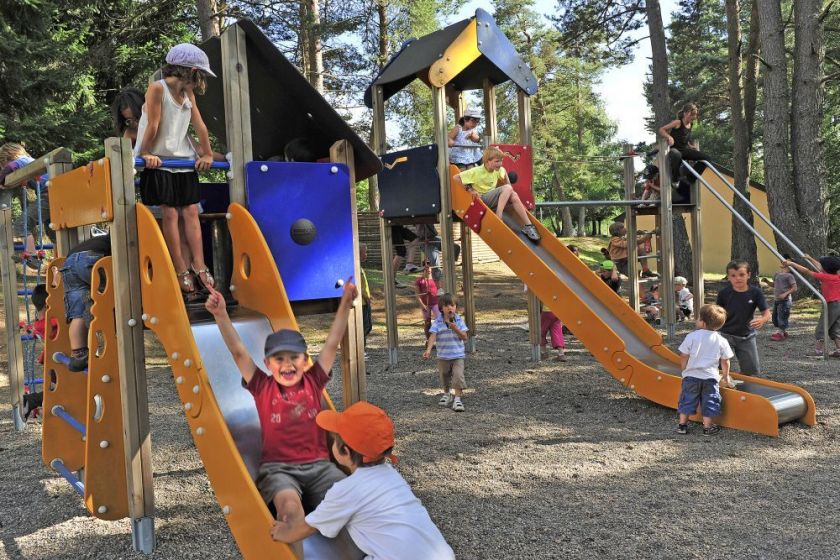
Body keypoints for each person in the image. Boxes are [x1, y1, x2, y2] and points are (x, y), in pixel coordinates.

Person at [204, 279, 357, 550]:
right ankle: (293, 551)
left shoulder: (313, 380)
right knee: (289, 511)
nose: (287, 365)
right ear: (267, 364)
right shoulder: (263, 386)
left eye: (294, 358)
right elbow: (239, 352)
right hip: (279, 470)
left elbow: (332, 343)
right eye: (279, 359)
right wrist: (221, 315)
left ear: (305, 360)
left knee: (354, 498)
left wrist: (345, 304)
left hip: (321, 467)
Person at [270, 401, 455, 559]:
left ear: (345, 452)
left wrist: (283, 532)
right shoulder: (391, 474)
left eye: (334, 441)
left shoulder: (346, 491)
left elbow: (307, 528)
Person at [133, 43, 216, 296]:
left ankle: (199, 264)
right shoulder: (157, 89)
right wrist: (146, 153)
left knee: (190, 211)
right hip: (159, 159)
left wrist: (208, 153)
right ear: (189, 71)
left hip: (182, 159)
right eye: (199, 75)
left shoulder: (188, 95)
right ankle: (180, 267)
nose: (200, 81)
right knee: (169, 214)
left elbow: (199, 125)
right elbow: (153, 125)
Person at [452, 146, 541, 243]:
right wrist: (470, 189)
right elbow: (456, 177)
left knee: (513, 194)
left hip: (493, 200)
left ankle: (528, 225)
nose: (500, 164)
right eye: (497, 161)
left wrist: (513, 195)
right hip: (481, 200)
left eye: (501, 161)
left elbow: (509, 184)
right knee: (508, 188)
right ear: (487, 161)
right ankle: (499, 216)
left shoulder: (500, 170)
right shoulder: (476, 171)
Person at [674, 304, 734, 436]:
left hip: (691, 376)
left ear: (702, 322)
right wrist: (725, 376)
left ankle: (682, 425)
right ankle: (707, 427)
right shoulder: (721, 340)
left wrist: (684, 370)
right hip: (710, 378)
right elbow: (725, 360)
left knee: (687, 399)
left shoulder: (692, 336)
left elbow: (684, 355)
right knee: (710, 401)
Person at [59, 233, 112, 372]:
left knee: (77, 315)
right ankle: (103, 346)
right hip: (91, 259)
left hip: (69, 263)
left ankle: (79, 356)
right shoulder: (123, 234)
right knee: (107, 300)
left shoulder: (99, 239)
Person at [0, 142, 54, 266]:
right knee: (52, 229)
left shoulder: (23, 161)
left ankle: (32, 255)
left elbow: (11, 167)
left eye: (3, 164)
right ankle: (63, 257)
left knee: (21, 224)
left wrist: (2, 179)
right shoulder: (29, 165)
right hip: (52, 194)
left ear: (9, 156)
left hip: (49, 194)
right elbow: (16, 181)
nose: (4, 168)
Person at [715, 260, 770, 376]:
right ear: (728, 277)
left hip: (746, 336)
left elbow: (767, 313)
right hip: (725, 335)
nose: (738, 278)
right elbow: (716, 313)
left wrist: (762, 319)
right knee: (717, 366)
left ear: (748, 275)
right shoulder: (724, 293)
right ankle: (718, 386)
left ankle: (745, 387)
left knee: (751, 370)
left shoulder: (756, 293)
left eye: (741, 275)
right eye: (733, 276)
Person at [783, 255, 840, 357]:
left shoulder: (825, 277)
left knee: (821, 328)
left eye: (822, 265)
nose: (819, 266)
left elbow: (807, 271)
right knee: (834, 328)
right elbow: (819, 267)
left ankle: (818, 351)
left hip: (831, 305)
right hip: (838, 305)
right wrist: (810, 258)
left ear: (825, 268)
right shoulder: (835, 276)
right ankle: (839, 349)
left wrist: (792, 264)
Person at [422, 293, 469, 412]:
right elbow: (433, 336)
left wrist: (455, 328)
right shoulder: (438, 322)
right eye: (446, 305)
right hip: (443, 356)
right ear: (441, 308)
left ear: (456, 307)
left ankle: (458, 399)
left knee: (458, 376)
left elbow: (465, 337)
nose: (450, 308)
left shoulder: (459, 320)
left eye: (452, 305)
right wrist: (428, 350)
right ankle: (447, 394)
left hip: (458, 355)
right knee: (444, 376)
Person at [658, 102, 712, 187]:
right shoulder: (677, 122)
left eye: (695, 115)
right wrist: (669, 137)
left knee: (707, 158)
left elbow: (684, 137)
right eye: (693, 114)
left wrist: (690, 145)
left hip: (684, 150)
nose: (694, 117)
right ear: (686, 113)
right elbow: (661, 130)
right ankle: (675, 179)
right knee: (677, 155)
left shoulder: (691, 124)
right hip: (674, 149)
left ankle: (690, 178)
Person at [765, 257, 798, 341]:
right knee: (775, 317)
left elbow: (794, 288)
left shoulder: (789, 276)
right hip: (777, 300)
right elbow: (774, 285)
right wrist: (767, 282)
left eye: (787, 261)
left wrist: (785, 294)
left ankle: (781, 332)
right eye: (784, 260)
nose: (784, 262)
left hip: (785, 301)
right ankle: (783, 331)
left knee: (782, 316)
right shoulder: (777, 274)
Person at [415, 260, 439, 340]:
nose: (428, 269)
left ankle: (439, 338)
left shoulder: (435, 279)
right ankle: (428, 340)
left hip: (435, 303)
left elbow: (440, 290)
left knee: (439, 319)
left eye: (429, 267)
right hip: (426, 304)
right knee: (427, 322)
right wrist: (423, 305)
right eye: (426, 267)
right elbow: (417, 295)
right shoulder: (419, 280)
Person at [359, 243, 372, 353]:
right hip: (362, 303)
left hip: (365, 301)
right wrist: (366, 298)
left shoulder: (360, 267)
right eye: (365, 252)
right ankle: (361, 350)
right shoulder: (356, 268)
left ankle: (362, 349)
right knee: (365, 327)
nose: (366, 255)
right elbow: (358, 286)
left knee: (367, 327)